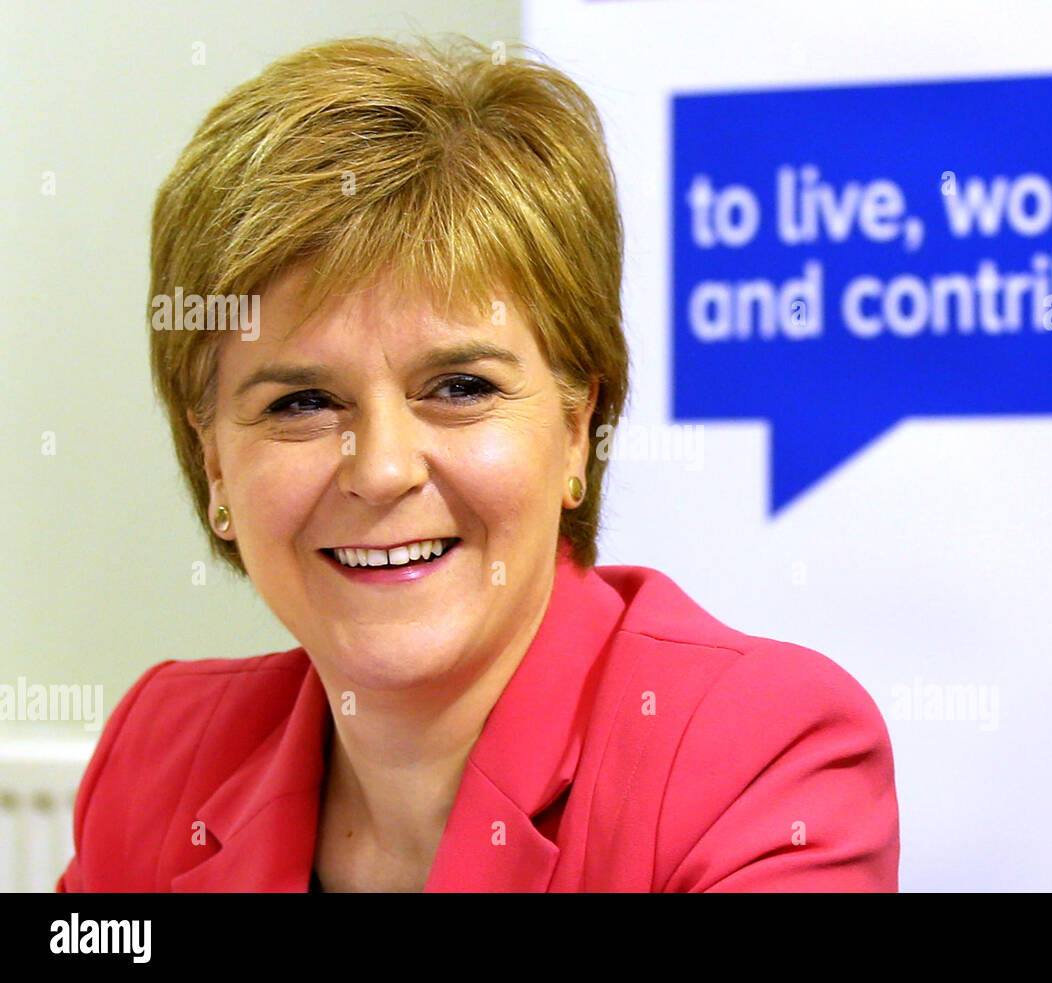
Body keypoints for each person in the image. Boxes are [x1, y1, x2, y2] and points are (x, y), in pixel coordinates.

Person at [56, 34, 899, 892]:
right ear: (216, 468)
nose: (381, 469)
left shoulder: (756, 756)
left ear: (577, 426)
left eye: (458, 386)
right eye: (301, 404)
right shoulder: (162, 758)